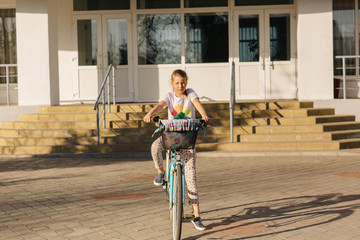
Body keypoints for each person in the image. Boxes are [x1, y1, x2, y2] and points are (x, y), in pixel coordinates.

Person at [143, 69, 210, 231]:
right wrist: (150, 113)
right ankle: (160, 172)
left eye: (183, 82)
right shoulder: (169, 96)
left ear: (186, 82)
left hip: (187, 138)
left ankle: (197, 215)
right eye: (177, 83)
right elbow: (160, 106)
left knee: (191, 177)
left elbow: (197, 104)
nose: (181, 86)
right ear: (172, 84)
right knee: (154, 146)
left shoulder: (190, 93)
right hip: (171, 136)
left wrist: (204, 115)